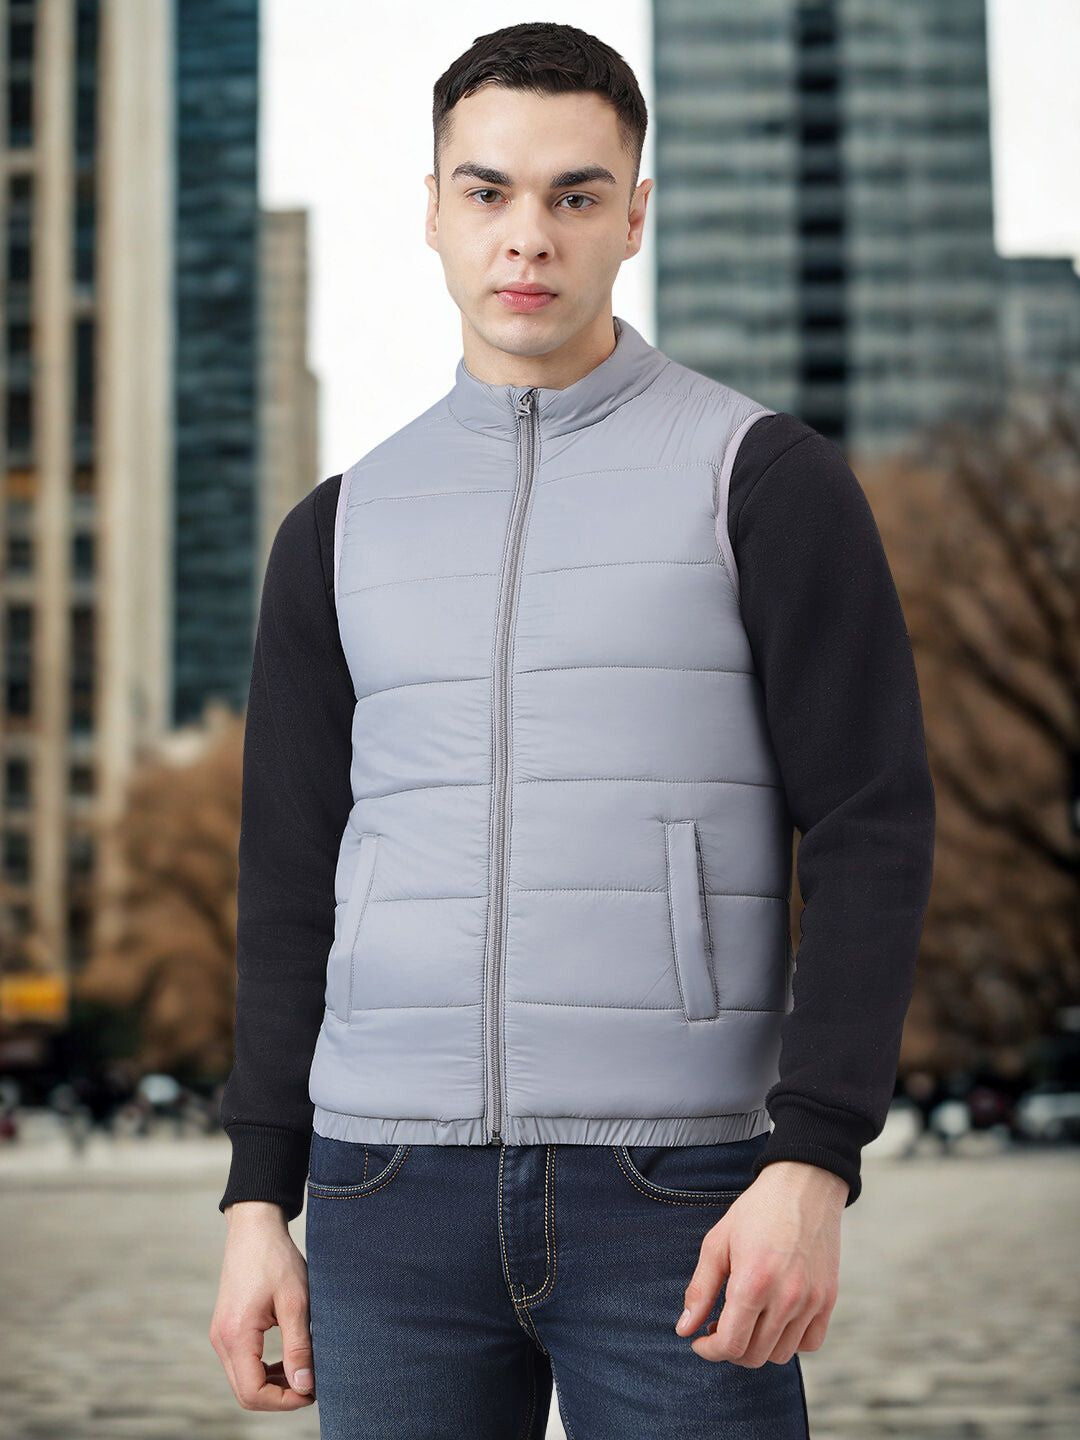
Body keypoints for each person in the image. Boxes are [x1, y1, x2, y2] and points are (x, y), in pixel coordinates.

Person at [209, 21, 936, 1438]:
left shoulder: (764, 480)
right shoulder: (338, 529)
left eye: (576, 194)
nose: (528, 236)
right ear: (432, 210)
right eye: (487, 191)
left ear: (635, 214)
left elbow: (873, 826)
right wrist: (256, 1199)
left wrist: (814, 1160)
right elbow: (288, 879)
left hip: (683, 1192)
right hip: (382, 1196)